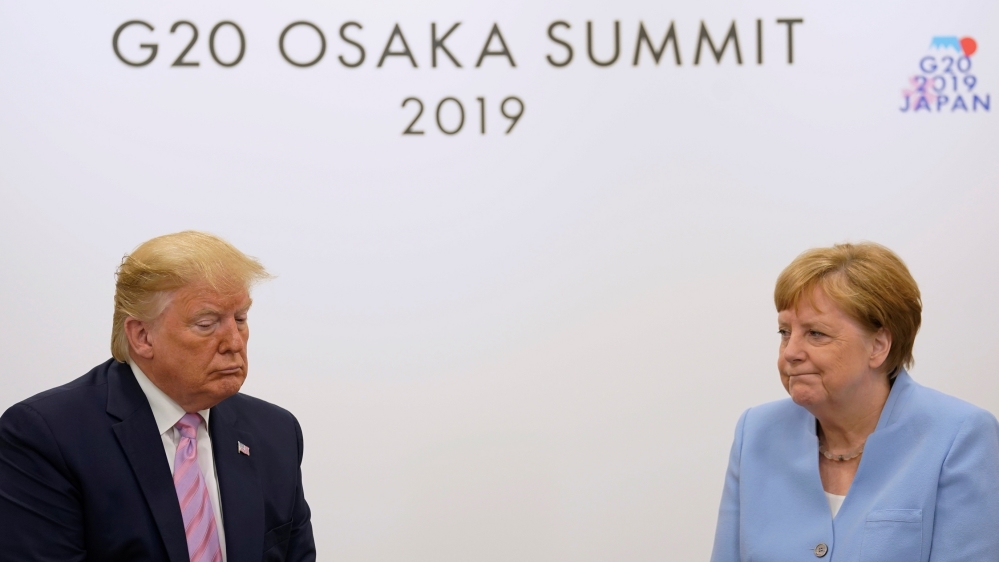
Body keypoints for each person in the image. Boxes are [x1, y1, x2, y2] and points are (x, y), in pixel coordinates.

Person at [0, 231, 316, 561]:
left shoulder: (276, 432)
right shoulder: (47, 437)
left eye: (240, 319)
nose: (234, 342)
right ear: (142, 336)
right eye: (207, 324)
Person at [710, 242, 999, 562]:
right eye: (784, 332)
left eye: (816, 333)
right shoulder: (756, 432)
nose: (790, 352)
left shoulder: (959, 436)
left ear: (878, 345)